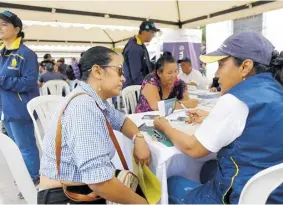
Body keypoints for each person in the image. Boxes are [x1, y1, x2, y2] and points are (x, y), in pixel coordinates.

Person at [153, 31, 283, 204]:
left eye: (221, 64)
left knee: (171, 183)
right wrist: (210, 118)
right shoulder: (276, 89)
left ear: (245, 67)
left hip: (240, 196)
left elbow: (194, 149)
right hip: (273, 193)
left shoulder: (235, 100)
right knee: (208, 168)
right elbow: (256, 126)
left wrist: (164, 127)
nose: (216, 74)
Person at [38, 46, 151, 204]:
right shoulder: (83, 108)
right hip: (66, 195)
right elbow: (100, 182)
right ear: (97, 71)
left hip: (82, 186)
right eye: (119, 71)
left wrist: (138, 138)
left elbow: (122, 121)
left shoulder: (93, 100)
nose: (123, 78)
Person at [0, 10, 40, 198]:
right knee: (16, 148)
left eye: (4, 24)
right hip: (6, 110)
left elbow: (29, 82)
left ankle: (33, 180)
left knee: (25, 147)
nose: (0, 27)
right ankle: (24, 177)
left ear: (17, 29)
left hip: (20, 109)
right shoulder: (1, 53)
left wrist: (2, 80)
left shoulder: (26, 54)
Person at [123, 20, 160, 88]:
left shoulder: (140, 45)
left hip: (139, 86)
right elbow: (136, 75)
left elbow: (146, 65)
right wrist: (148, 87)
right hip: (134, 89)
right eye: (152, 33)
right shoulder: (134, 48)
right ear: (144, 32)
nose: (153, 36)